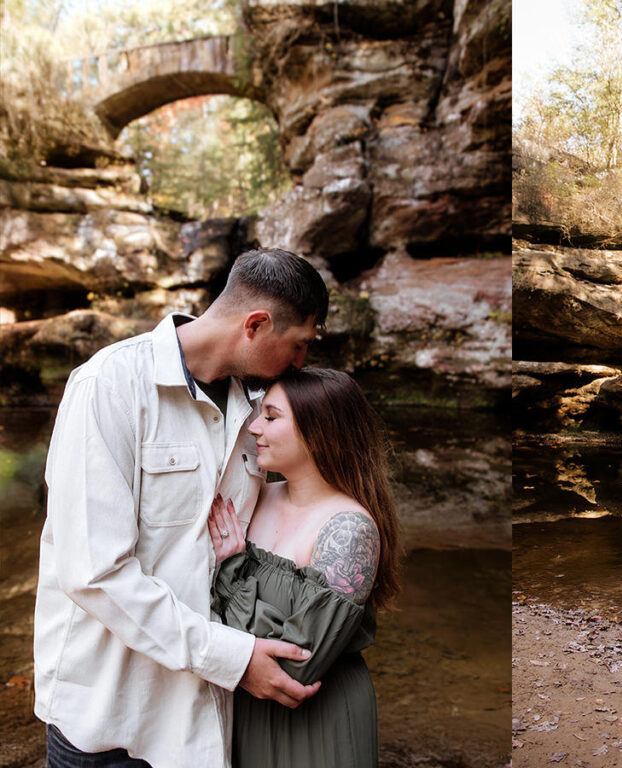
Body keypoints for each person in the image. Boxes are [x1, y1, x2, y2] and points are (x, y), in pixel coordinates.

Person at [34, 248, 330, 768]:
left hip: (202, 724)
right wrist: (235, 660)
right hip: (108, 718)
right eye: (299, 344)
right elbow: (94, 572)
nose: (301, 363)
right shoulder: (109, 386)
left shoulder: (258, 413)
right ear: (256, 324)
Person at [206, 368, 400, 768]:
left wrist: (231, 569)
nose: (254, 426)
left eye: (271, 417)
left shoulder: (349, 530)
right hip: (244, 708)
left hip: (315, 719)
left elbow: (295, 665)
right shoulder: (257, 496)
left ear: (319, 431)